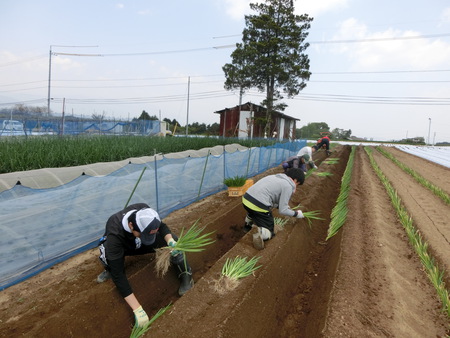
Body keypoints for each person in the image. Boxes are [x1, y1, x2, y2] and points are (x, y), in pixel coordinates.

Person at [96, 203, 194, 327]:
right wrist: (137, 309)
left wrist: (170, 241)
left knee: (174, 240)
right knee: (107, 254)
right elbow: (119, 276)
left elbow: (162, 226)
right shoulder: (115, 234)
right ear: (131, 225)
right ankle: (108, 269)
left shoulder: (146, 212)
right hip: (124, 247)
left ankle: (186, 275)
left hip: (140, 244)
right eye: (143, 234)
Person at [242, 168, 305, 250]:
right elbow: (282, 210)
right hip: (258, 205)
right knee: (270, 233)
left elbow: (273, 200)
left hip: (246, 199)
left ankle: (247, 226)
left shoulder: (275, 177)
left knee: (253, 212)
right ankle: (258, 231)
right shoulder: (288, 186)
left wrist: (282, 206)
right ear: (295, 180)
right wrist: (296, 214)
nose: (296, 188)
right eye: (297, 184)